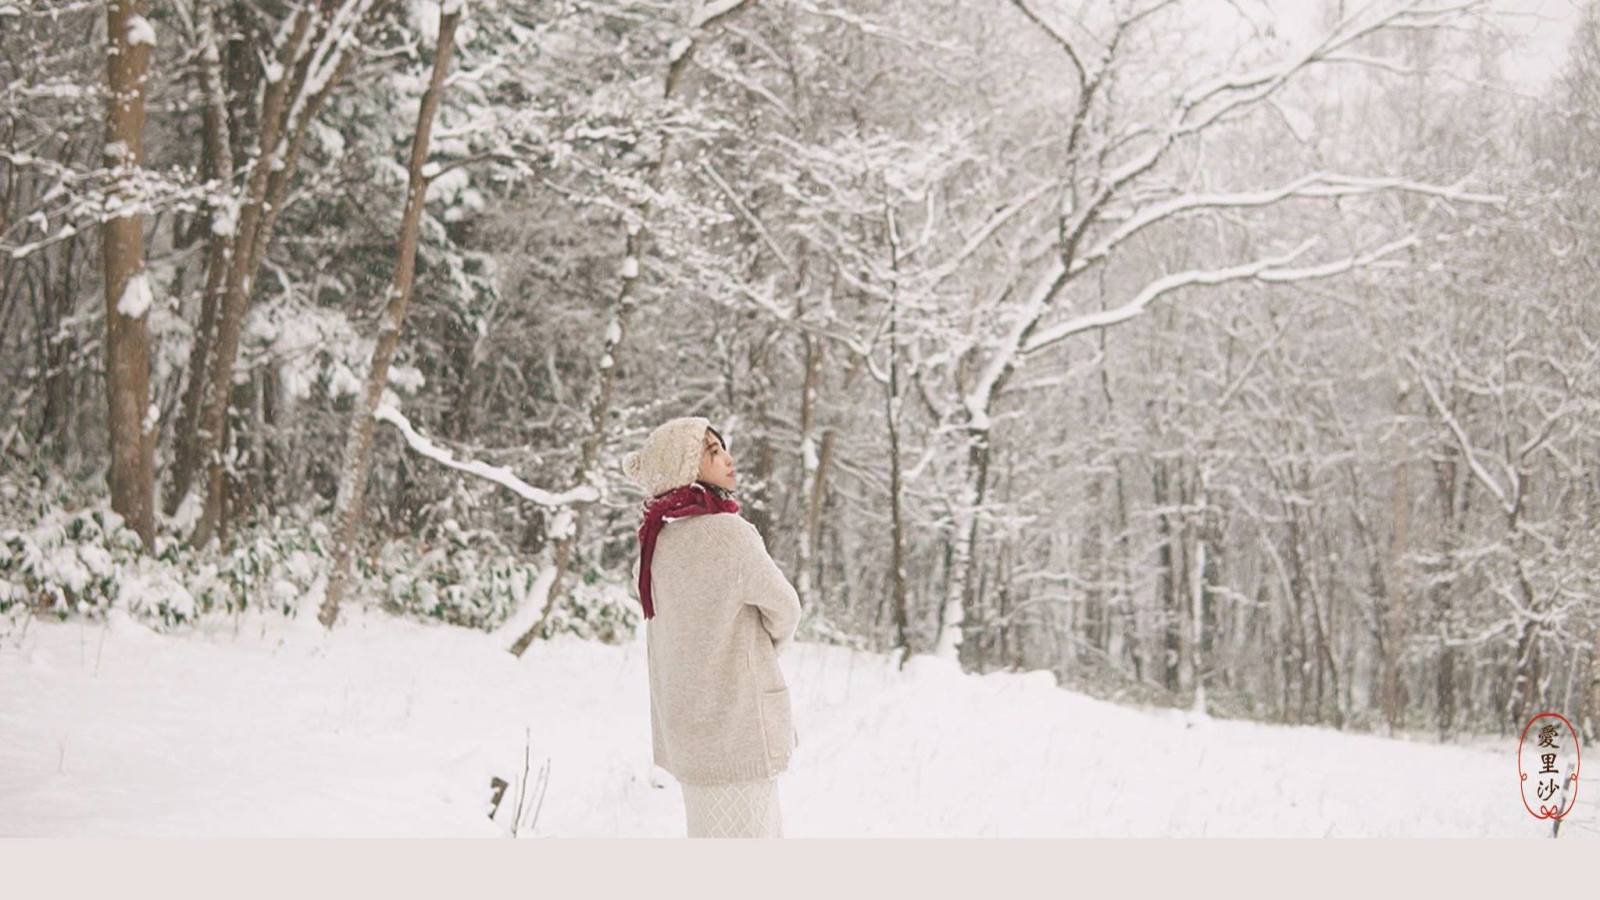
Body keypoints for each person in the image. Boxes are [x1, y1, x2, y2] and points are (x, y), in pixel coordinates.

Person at [622, 416, 802, 838]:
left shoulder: (654, 546)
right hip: (740, 728)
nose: (728, 459)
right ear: (685, 467)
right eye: (712, 452)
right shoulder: (730, 534)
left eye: (723, 447)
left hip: (689, 732)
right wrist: (762, 648)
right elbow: (785, 608)